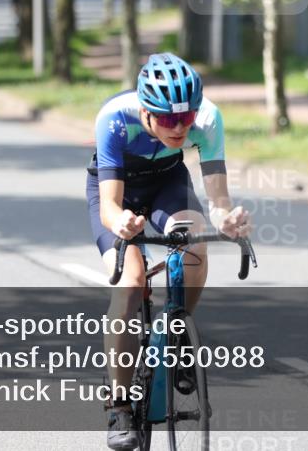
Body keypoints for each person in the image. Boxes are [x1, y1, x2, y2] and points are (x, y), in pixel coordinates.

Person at [86, 52, 252, 450]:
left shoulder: (209, 119)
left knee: (193, 245)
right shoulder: (114, 117)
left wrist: (226, 218)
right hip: (117, 189)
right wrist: (121, 223)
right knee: (130, 281)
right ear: (146, 111)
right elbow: (110, 205)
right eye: (166, 119)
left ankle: (178, 334)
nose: (179, 128)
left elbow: (217, 197)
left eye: (186, 119)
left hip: (167, 183)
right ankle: (120, 405)